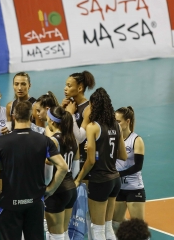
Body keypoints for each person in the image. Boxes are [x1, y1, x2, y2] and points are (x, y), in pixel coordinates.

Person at [0, 101, 68, 240]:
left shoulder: (0, 142)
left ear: (14, 116)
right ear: (31, 116)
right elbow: (63, 167)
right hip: (34, 203)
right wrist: (50, 189)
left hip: (10, 203)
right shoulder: (44, 141)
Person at [74, 88, 127, 240]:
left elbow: (90, 161)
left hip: (100, 180)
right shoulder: (116, 126)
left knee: (97, 229)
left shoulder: (92, 127)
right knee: (108, 228)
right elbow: (122, 155)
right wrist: (100, 149)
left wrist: (79, 179)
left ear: (93, 105)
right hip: (114, 179)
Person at [62, 70, 95, 239]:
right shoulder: (70, 105)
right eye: (66, 85)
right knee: (71, 206)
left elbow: (81, 137)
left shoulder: (88, 108)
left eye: (69, 85)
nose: (65, 89)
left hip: (84, 162)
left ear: (80, 88)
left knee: (85, 207)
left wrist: (69, 115)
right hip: (71, 161)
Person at [44, 106, 80, 240]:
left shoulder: (53, 141)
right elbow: (75, 168)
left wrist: (48, 189)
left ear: (52, 121)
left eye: (48, 118)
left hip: (57, 191)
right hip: (70, 189)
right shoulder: (73, 139)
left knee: (55, 236)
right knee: (64, 233)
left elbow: (48, 171)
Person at [112, 106, 146, 231]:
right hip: (118, 188)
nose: (116, 124)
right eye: (114, 121)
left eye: (118, 122)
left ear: (128, 121)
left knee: (138, 228)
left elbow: (138, 166)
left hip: (134, 188)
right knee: (115, 224)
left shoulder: (136, 140)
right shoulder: (114, 139)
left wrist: (117, 174)